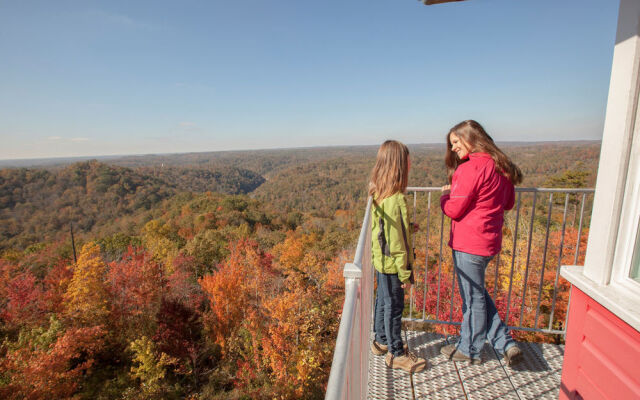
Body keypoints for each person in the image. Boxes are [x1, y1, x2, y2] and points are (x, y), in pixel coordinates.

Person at [439, 120, 524, 366]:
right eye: (451, 144)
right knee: (477, 293)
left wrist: (445, 197)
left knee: (472, 298)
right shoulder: (501, 167)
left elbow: (454, 209)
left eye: (456, 142)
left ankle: (470, 349)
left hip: (469, 243)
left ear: (471, 138)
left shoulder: (468, 169)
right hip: (489, 241)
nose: (453, 148)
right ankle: (505, 343)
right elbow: (508, 204)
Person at [369, 140, 427, 373]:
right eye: (408, 159)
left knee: (383, 302)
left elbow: (386, 231)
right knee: (394, 308)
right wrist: (406, 274)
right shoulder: (396, 199)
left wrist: (406, 227)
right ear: (399, 165)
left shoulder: (379, 194)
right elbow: (398, 244)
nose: (411, 163)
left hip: (381, 261)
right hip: (393, 264)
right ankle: (396, 353)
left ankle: (381, 340)